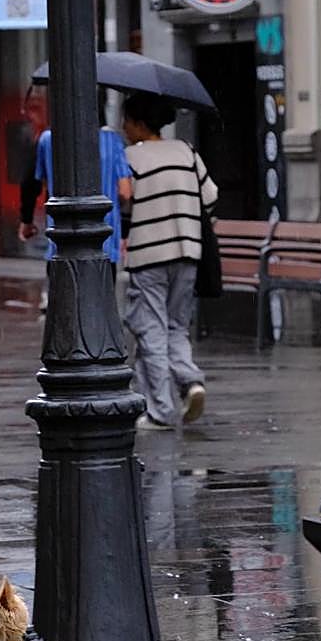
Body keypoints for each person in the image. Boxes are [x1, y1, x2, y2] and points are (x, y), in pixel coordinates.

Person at [121, 92, 216, 431]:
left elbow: (124, 199)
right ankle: (191, 381)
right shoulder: (186, 152)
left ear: (138, 123)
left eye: (126, 121)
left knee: (151, 329)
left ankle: (160, 410)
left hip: (148, 255)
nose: (123, 128)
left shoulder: (130, 157)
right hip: (188, 252)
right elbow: (210, 196)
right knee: (176, 325)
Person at [19, 109, 134, 274]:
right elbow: (125, 192)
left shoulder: (48, 139)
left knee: (62, 288)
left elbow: (36, 182)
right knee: (102, 289)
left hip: (61, 241)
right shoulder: (113, 140)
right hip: (105, 242)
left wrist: (27, 220)